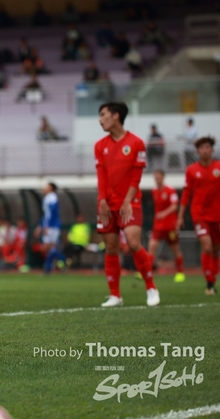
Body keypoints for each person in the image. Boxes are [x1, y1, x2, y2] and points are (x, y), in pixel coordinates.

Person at [95, 101, 159, 307]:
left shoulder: (136, 143)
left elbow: (136, 177)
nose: (100, 120)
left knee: (133, 243)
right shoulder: (100, 146)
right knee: (111, 247)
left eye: (103, 114)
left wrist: (127, 200)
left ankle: (151, 288)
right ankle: (115, 295)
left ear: (115, 116)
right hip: (107, 204)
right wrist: (102, 200)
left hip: (130, 203)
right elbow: (101, 176)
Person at [177, 136, 220, 295]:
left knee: (215, 249)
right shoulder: (191, 170)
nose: (205, 150)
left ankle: (212, 280)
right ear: (197, 151)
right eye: (202, 148)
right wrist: (180, 216)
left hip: (217, 215)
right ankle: (209, 283)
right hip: (199, 215)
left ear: (212, 150)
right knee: (207, 246)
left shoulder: (218, 167)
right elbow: (186, 194)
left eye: (207, 147)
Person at [149, 170, 185, 282]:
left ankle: (180, 272)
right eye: (155, 178)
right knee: (152, 246)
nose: (157, 180)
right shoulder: (154, 191)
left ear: (163, 177)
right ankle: (147, 271)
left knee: (175, 249)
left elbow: (175, 206)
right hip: (158, 225)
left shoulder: (170, 190)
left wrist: (163, 214)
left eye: (159, 177)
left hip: (170, 225)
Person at [35, 183, 67, 274]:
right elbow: (46, 214)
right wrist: (40, 226)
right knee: (51, 248)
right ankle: (48, 269)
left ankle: (64, 260)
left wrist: (46, 226)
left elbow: (51, 213)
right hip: (50, 226)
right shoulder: (47, 198)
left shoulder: (52, 197)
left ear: (51, 188)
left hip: (52, 226)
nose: (44, 188)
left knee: (47, 247)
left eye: (47, 186)